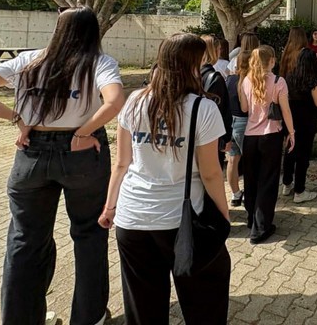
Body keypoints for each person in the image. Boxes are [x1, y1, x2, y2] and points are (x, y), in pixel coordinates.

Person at [0, 6, 125, 325]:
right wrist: (82, 132)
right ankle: (90, 317)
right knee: (90, 234)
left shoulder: (29, 60)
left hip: (32, 153)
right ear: (93, 32)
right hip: (82, 155)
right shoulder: (99, 62)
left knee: (25, 239)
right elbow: (114, 101)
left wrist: (17, 117)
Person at [98, 33, 230, 325]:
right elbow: (211, 173)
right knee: (205, 301)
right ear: (193, 65)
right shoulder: (203, 108)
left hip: (133, 219)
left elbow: (121, 163)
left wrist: (109, 207)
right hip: (182, 224)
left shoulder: (134, 101)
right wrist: (223, 215)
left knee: (143, 308)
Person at [240, 45, 295, 244]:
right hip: (271, 136)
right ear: (271, 60)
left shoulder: (246, 80)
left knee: (251, 179)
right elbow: (286, 110)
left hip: (250, 136)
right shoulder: (279, 81)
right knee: (268, 181)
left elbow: (244, 108)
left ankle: (251, 218)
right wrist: (292, 132)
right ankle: (261, 227)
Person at [281, 48, 317, 203]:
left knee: (290, 152)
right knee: (303, 157)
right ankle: (300, 191)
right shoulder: (313, 81)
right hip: (306, 123)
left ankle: (286, 184)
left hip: (291, 122)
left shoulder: (289, 77)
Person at [225, 32, 260, 207]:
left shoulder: (229, 80)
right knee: (250, 161)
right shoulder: (249, 81)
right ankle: (249, 193)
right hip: (245, 122)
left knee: (233, 159)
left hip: (230, 122)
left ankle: (235, 193)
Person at [200, 35, 232, 169]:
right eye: (218, 49)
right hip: (212, 135)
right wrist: (227, 137)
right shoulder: (215, 78)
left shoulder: (191, 74)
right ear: (213, 51)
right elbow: (222, 110)